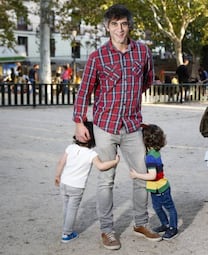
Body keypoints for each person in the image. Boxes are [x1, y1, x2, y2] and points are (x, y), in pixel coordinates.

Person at [72, 4, 161, 250]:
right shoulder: (97, 57)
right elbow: (84, 91)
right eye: (114, 24)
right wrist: (79, 120)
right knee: (106, 180)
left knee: (142, 175)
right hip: (105, 126)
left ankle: (141, 223)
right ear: (107, 27)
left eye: (123, 24)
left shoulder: (142, 52)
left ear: (129, 25)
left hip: (132, 125)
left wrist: (130, 100)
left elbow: (147, 80)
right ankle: (107, 230)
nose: (119, 29)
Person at [54, 122, 120, 243]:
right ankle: (67, 233)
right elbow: (101, 166)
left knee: (66, 207)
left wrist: (57, 176)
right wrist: (114, 162)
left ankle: (66, 226)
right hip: (77, 187)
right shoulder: (91, 154)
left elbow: (60, 163)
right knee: (72, 209)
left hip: (64, 182)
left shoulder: (70, 148)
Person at [129, 124, 179, 240]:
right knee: (157, 208)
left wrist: (136, 175)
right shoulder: (154, 151)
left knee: (170, 208)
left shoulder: (151, 157)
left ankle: (173, 228)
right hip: (155, 189)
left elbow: (152, 175)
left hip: (161, 188)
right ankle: (165, 224)